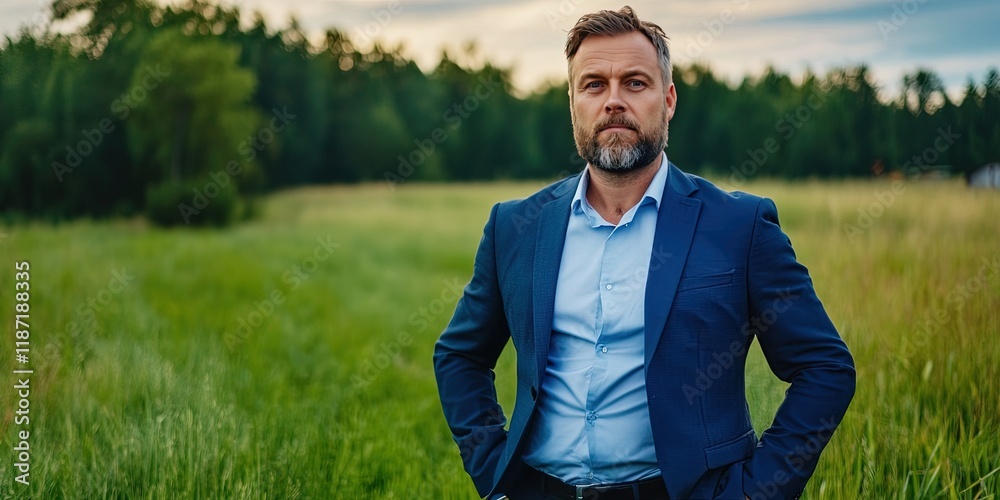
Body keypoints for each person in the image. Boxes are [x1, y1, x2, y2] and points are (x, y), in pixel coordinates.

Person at [433, 6, 855, 500]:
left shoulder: (739, 226)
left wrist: (756, 493)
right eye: (593, 85)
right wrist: (494, 475)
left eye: (635, 83)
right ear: (573, 102)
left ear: (668, 99)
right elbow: (460, 354)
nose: (614, 101)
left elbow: (824, 367)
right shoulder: (516, 227)